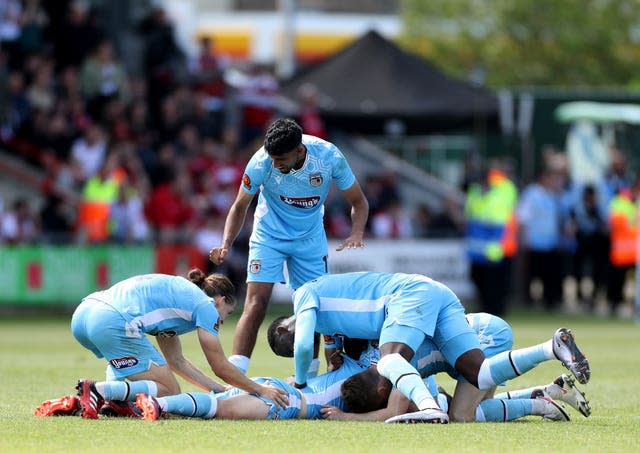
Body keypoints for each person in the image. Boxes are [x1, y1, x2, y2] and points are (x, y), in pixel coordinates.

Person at [268, 271, 590, 424]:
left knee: (394, 362)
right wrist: (330, 354)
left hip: (421, 302)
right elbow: (321, 343)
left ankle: (431, 409)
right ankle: (551, 350)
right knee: (475, 382)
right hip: (435, 295)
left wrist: (300, 382)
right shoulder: (337, 323)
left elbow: (303, 345)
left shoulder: (306, 296)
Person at [209, 118, 369, 375]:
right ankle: (237, 378)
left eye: (281, 158)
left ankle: (311, 378)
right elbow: (239, 206)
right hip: (268, 235)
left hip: (310, 240)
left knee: (312, 307)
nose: (275, 163)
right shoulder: (261, 162)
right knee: (256, 303)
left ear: (299, 150)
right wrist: (226, 243)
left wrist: (357, 232)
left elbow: (359, 201)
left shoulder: (328, 157)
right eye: (272, 158)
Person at [35, 269, 288, 419]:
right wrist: (261, 390)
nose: (222, 321)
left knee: (147, 375)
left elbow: (176, 362)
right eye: (228, 314)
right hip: (112, 320)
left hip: (85, 315)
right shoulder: (206, 307)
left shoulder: (178, 304)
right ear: (220, 301)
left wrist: (217, 389)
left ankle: (92, 400)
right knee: (169, 390)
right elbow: (220, 365)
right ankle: (100, 390)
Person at [317, 312, 590, 422]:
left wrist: (348, 417)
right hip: (477, 330)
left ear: (380, 388)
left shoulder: (397, 367)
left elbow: (393, 411)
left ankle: (547, 359)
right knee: (476, 407)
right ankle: (549, 391)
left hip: (483, 337)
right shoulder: (385, 351)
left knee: (462, 414)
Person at [133, 340, 377, 422]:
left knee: (216, 403)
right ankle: (159, 405)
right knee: (220, 409)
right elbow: (390, 410)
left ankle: (153, 404)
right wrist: (348, 416)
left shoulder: (344, 361)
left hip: (279, 388)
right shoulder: (376, 376)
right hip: (288, 403)